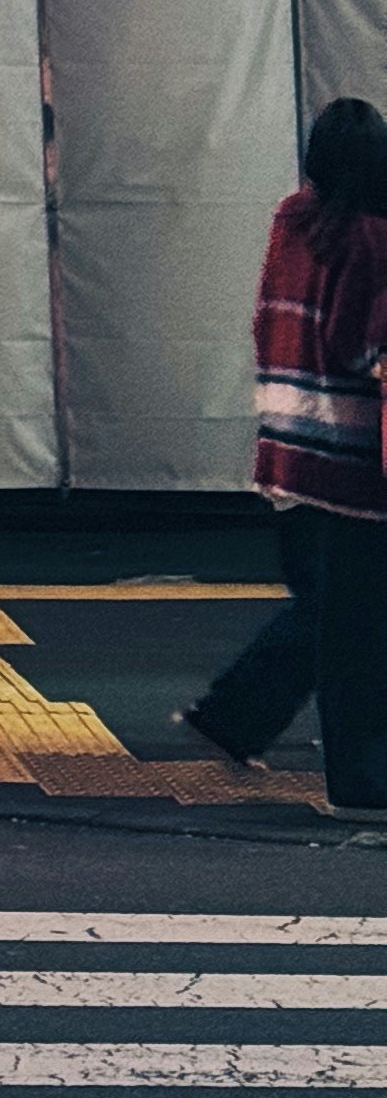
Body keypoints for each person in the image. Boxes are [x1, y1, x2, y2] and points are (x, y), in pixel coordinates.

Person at [182, 97, 387, 805]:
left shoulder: (290, 220)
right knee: (353, 626)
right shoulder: (367, 238)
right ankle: (359, 781)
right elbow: (359, 347)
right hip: (347, 456)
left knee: (324, 607)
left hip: (285, 444)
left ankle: (234, 717)